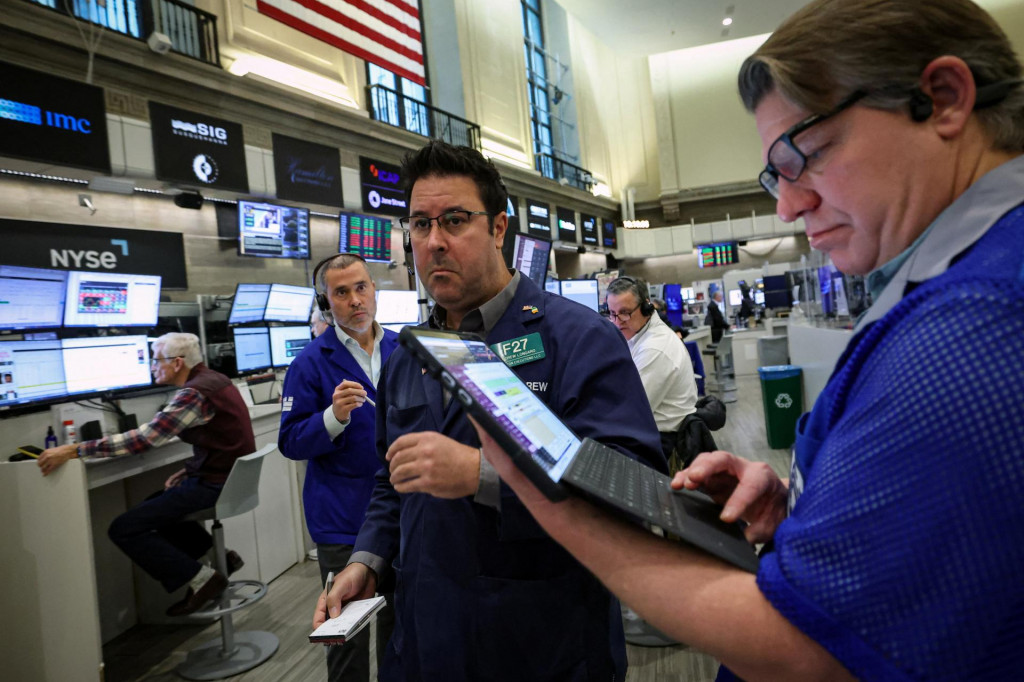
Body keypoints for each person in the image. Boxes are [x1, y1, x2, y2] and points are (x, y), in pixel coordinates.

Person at [469, 0, 1024, 679]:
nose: (788, 205)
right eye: (774, 175)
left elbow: (804, 653)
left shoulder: (980, 322)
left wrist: (550, 498)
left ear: (943, 98)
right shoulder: (969, 281)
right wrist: (806, 504)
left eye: (808, 154)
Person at [317, 140, 666, 681]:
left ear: (499, 229)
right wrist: (368, 560)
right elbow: (393, 480)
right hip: (425, 638)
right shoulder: (410, 354)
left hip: (541, 640)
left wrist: (483, 476)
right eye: (420, 224)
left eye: (455, 221)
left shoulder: (577, 339)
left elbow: (634, 486)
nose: (434, 242)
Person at [38, 333, 256, 616]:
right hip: (227, 479)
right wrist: (191, 469)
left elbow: (142, 441)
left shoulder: (193, 393)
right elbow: (223, 441)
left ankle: (202, 579)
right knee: (159, 503)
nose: (152, 366)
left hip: (217, 484)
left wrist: (74, 450)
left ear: (177, 363)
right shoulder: (215, 380)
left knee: (125, 527)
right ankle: (220, 558)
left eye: (156, 361)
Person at [279, 254, 398, 682]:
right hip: (343, 522)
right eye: (341, 292)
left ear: (374, 290)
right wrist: (333, 418)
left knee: (399, 633)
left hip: (401, 513)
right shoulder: (310, 363)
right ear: (326, 302)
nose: (354, 300)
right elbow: (290, 441)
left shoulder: (401, 348)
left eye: (361, 287)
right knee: (346, 640)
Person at [606, 276, 697, 459]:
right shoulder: (638, 335)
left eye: (624, 312)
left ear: (647, 308)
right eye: (612, 313)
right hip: (652, 435)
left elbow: (630, 412)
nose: (617, 322)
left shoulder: (655, 348)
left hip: (663, 445)